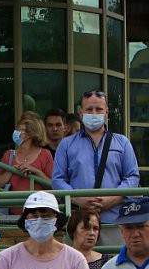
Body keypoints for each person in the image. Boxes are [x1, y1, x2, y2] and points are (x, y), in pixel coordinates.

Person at [52, 90, 140, 247]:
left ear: (106, 111)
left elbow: (132, 177)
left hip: (114, 222)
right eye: (89, 109)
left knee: (114, 268)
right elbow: (58, 179)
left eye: (99, 109)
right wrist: (79, 199)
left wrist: (112, 198)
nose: (94, 113)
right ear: (81, 112)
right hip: (79, 221)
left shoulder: (122, 142)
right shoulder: (66, 144)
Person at [0, 113, 54, 210]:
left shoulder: (45, 154)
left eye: (21, 130)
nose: (16, 132)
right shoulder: (9, 155)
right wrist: (11, 171)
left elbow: (53, 186)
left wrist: (36, 172)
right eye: (17, 129)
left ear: (31, 134)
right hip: (11, 215)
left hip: (38, 213)